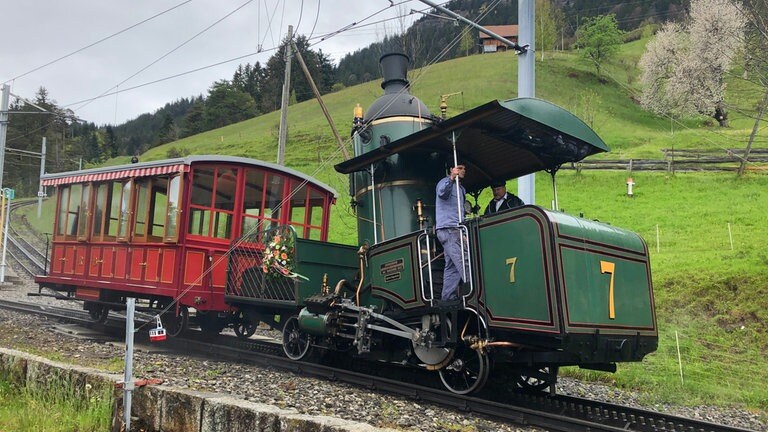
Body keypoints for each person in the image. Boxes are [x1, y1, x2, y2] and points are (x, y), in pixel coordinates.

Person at [435, 163, 470, 301]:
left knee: (452, 267)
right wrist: (451, 178)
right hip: (449, 228)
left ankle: (447, 297)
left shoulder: (461, 189)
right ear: (452, 169)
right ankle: (475, 290)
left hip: (454, 229)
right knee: (464, 259)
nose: (463, 171)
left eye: (464, 168)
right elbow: (442, 194)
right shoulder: (444, 182)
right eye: (460, 168)